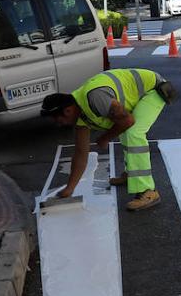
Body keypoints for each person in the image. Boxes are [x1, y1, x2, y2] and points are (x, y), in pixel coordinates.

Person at [40, 69, 174, 211]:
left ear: (67, 111)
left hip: (153, 89)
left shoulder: (95, 98)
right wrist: (69, 189)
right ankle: (131, 174)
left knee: (133, 133)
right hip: (136, 93)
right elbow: (80, 154)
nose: (58, 124)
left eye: (58, 119)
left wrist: (105, 138)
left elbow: (127, 121)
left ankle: (147, 191)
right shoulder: (80, 115)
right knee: (123, 128)